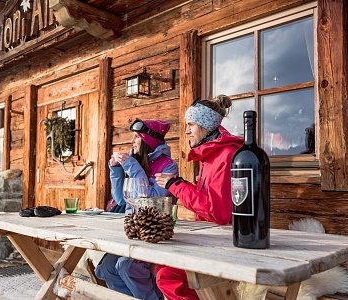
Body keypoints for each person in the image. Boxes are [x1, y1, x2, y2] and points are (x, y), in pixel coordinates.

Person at [154, 95, 244, 300]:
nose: (186, 131)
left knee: (169, 276)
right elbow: (208, 197)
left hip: (226, 242)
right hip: (208, 237)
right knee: (161, 262)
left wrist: (175, 186)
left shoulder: (226, 155)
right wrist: (180, 183)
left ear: (205, 125)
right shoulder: (210, 154)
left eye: (190, 125)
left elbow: (218, 213)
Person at [95, 118, 179, 300]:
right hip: (132, 229)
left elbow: (151, 200)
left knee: (125, 266)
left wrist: (133, 167)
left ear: (148, 140)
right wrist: (116, 170)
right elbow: (121, 199)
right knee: (105, 269)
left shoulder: (167, 165)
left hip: (155, 233)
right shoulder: (136, 161)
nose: (132, 142)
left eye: (136, 137)